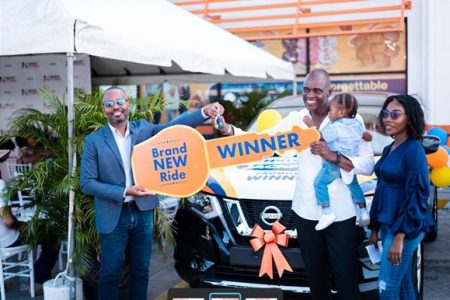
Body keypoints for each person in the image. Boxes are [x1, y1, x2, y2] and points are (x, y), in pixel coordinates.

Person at [217, 69, 374, 300]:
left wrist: (335, 158)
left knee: (345, 277)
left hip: (341, 213)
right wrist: (229, 131)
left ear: (330, 92)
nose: (310, 95)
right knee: (316, 280)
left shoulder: (352, 119)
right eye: (307, 90)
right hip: (306, 212)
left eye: (317, 90)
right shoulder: (295, 121)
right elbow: (262, 143)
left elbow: (368, 164)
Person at [79, 86, 224, 300]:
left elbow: (174, 127)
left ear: (127, 104)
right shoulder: (94, 141)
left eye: (119, 102)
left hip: (142, 211)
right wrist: (124, 191)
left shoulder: (144, 130)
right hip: (113, 214)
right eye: (109, 104)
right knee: (110, 273)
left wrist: (203, 112)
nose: (115, 108)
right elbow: (87, 183)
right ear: (103, 110)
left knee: (141, 270)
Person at [368, 95, 432, 299]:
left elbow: (418, 194)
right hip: (388, 223)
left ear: (410, 119)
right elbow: (382, 188)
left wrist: (400, 236)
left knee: (386, 287)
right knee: (403, 285)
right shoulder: (390, 148)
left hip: (406, 228)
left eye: (395, 114)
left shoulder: (414, 150)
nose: (388, 119)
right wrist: (375, 227)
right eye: (385, 114)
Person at [304, 93, 371, 230]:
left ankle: (327, 212)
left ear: (341, 112)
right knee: (354, 186)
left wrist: (310, 124)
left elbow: (321, 137)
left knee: (319, 183)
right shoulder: (357, 123)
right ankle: (363, 211)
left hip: (333, 165)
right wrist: (365, 135)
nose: (329, 113)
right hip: (349, 163)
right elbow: (367, 136)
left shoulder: (335, 127)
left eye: (331, 110)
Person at [0, 179, 59, 291]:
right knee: (53, 235)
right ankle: (39, 280)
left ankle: (2, 279)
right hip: (8, 241)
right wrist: (22, 225)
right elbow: (9, 221)